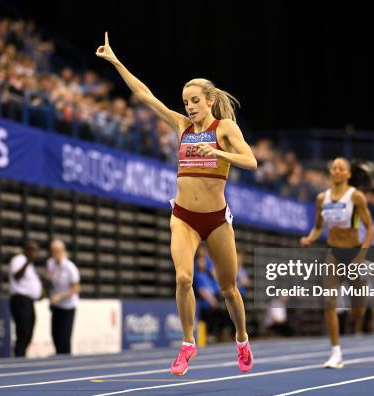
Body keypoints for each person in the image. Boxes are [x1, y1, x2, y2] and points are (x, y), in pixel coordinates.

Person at [96, 32, 257, 375]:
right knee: (183, 278)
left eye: (195, 100)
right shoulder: (182, 126)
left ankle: (241, 338)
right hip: (183, 215)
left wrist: (216, 152)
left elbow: (251, 162)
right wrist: (115, 61)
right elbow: (144, 96)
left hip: (215, 219)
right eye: (186, 102)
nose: (189, 106)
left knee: (229, 288)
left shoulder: (224, 127)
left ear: (210, 99)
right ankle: (187, 344)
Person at [300, 158, 374, 369]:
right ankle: (335, 352)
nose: (337, 170)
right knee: (329, 302)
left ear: (348, 174)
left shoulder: (356, 197)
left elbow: (370, 228)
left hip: (354, 255)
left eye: (341, 168)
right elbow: (317, 227)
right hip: (333, 254)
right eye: (333, 167)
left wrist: (361, 255)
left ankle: (358, 314)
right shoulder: (321, 198)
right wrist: (309, 238)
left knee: (358, 311)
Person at [46, 239, 80, 355]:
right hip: (56, 306)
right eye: (53, 251)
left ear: (63, 251)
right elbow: (50, 282)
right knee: (55, 335)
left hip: (67, 306)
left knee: (64, 337)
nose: (55, 254)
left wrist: (61, 297)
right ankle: (58, 356)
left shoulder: (70, 267)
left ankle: (66, 359)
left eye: (58, 251)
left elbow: (76, 288)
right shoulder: (50, 263)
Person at [9, 241, 42, 357]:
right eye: (34, 251)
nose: (36, 254)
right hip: (20, 300)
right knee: (23, 330)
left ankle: (21, 353)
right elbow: (17, 276)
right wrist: (28, 261)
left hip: (29, 301)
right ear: (27, 250)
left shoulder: (30, 264)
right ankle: (19, 355)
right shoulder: (19, 260)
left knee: (30, 328)